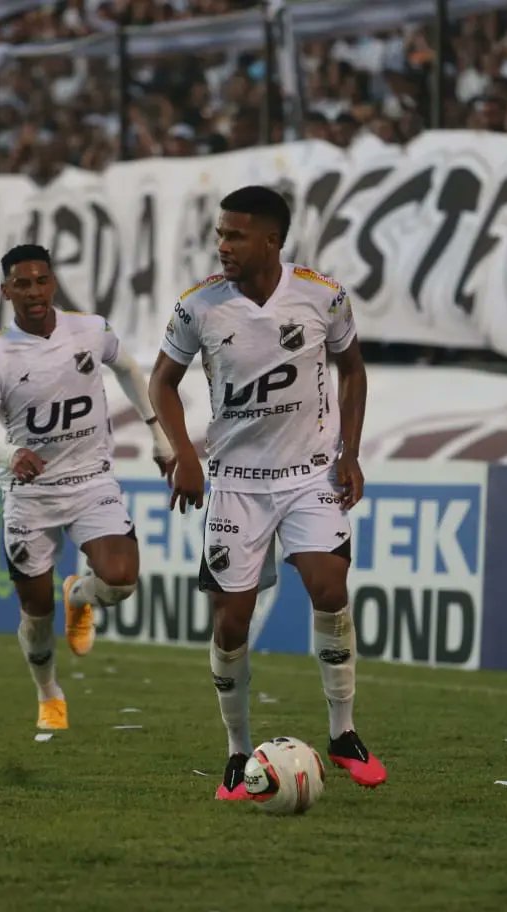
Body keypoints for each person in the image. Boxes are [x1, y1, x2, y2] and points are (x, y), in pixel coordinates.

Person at [148, 185, 386, 802]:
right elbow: (162, 384)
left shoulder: (321, 295)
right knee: (232, 623)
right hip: (236, 484)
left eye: (235, 235)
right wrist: (184, 453)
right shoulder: (199, 306)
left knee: (329, 587)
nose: (222, 245)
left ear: (272, 240)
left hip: (310, 474)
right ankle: (235, 751)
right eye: (220, 234)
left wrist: (350, 452)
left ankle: (344, 732)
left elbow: (352, 367)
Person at [0, 244, 173, 732]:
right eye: (22, 284)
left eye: (41, 281)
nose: (33, 292)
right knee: (36, 614)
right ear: (6, 290)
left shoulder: (91, 330)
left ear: (53, 283)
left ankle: (80, 595)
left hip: (91, 480)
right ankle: (49, 693)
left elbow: (128, 368)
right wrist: (10, 454)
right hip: (30, 494)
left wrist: (157, 432)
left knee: (121, 581)